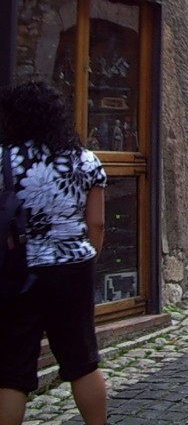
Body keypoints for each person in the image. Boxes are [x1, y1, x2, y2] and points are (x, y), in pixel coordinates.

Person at [0, 82, 108, 425]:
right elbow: (98, 224)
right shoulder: (85, 160)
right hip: (72, 266)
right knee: (82, 361)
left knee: (12, 370)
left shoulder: (5, 160)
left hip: (18, 269)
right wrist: (88, 258)